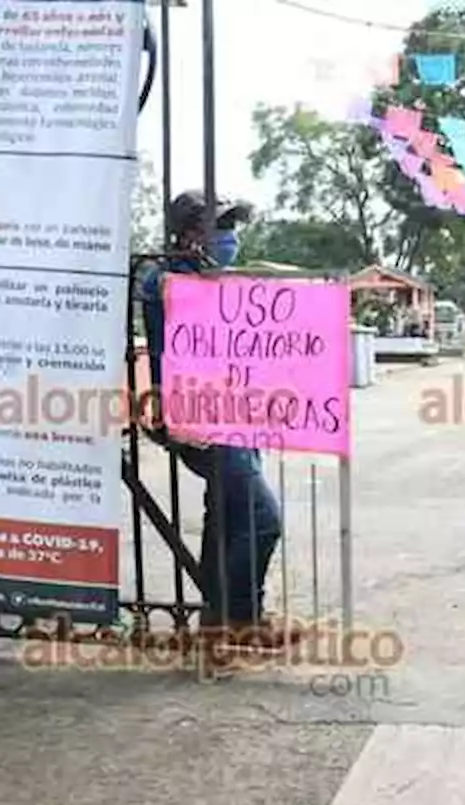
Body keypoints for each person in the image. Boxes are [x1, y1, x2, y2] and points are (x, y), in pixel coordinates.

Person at [138, 190, 296, 647]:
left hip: (235, 411)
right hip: (199, 417)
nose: (231, 238)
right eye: (220, 228)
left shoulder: (222, 281)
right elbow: (161, 293)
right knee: (263, 518)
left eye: (232, 228)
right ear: (189, 235)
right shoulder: (166, 280)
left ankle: (218, 617)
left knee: (226, 514)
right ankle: (242, 619)